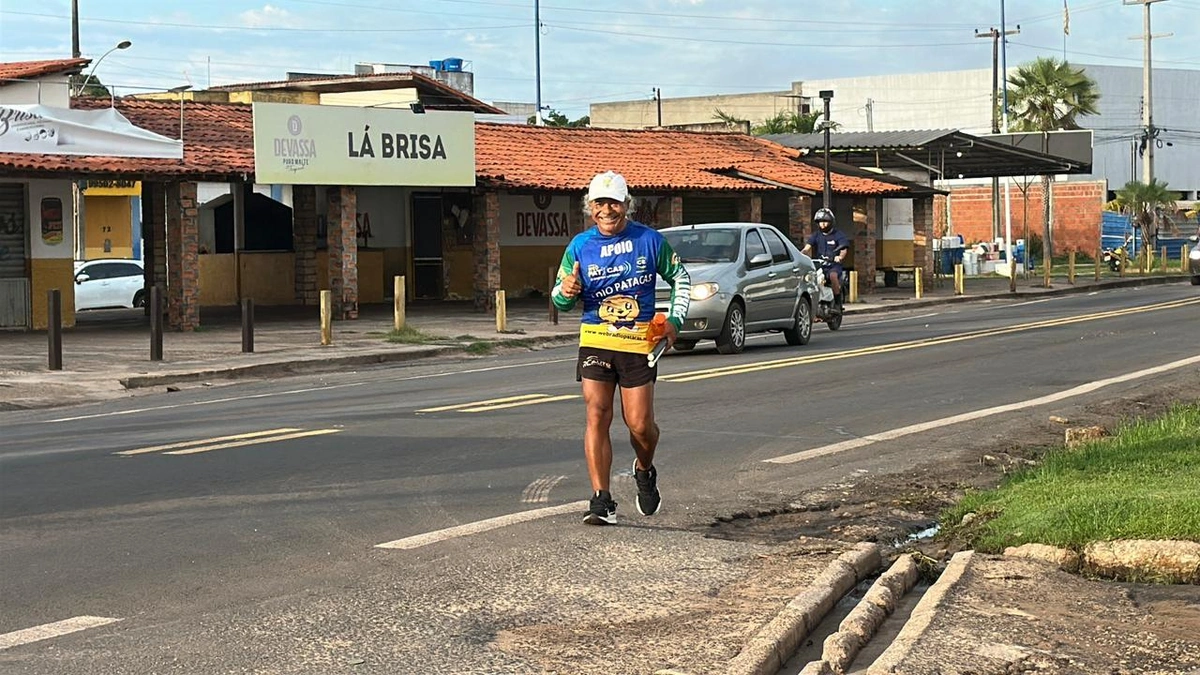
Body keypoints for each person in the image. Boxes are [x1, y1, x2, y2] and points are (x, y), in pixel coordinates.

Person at [552, 171, 691, 526]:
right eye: (599, 203)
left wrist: (675, 320)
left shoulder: (650, 240)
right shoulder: (579, 246)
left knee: (640, 426)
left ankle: (644, 469)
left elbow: (681, 278)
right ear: (589, 207)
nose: (606, 210)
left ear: (627, 205)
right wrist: (565, 292)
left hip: (638, 342)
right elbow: (559, 297)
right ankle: (602, 500)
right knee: (597, 413)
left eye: (613, 202)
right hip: (596, 338)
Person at [801, 207, 850, 304]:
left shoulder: (838, 234)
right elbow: (807, 248)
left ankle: (837, 302)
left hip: (834, 265)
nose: (822, 224)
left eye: (825, 221)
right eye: (820, 222)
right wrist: (800, 255)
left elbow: (843, 249)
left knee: (833, 276)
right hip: (820, 265)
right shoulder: (816, 235)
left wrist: (840, 257)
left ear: (831, 222)